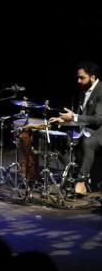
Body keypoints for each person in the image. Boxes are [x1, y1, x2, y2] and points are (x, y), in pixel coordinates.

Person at [50, 61, 102, 195]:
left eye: (82, 77)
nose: (78, 81)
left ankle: (81, 180)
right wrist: (64, 119)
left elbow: (97, 119)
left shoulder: (101, 91)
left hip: (99, 131)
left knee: (87, 141)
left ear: (92, 77)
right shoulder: (83, 91)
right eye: (78, 77)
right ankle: (69, 178)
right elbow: (81, 115)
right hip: (88, 129)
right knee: (64, 139)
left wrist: (73, 117)